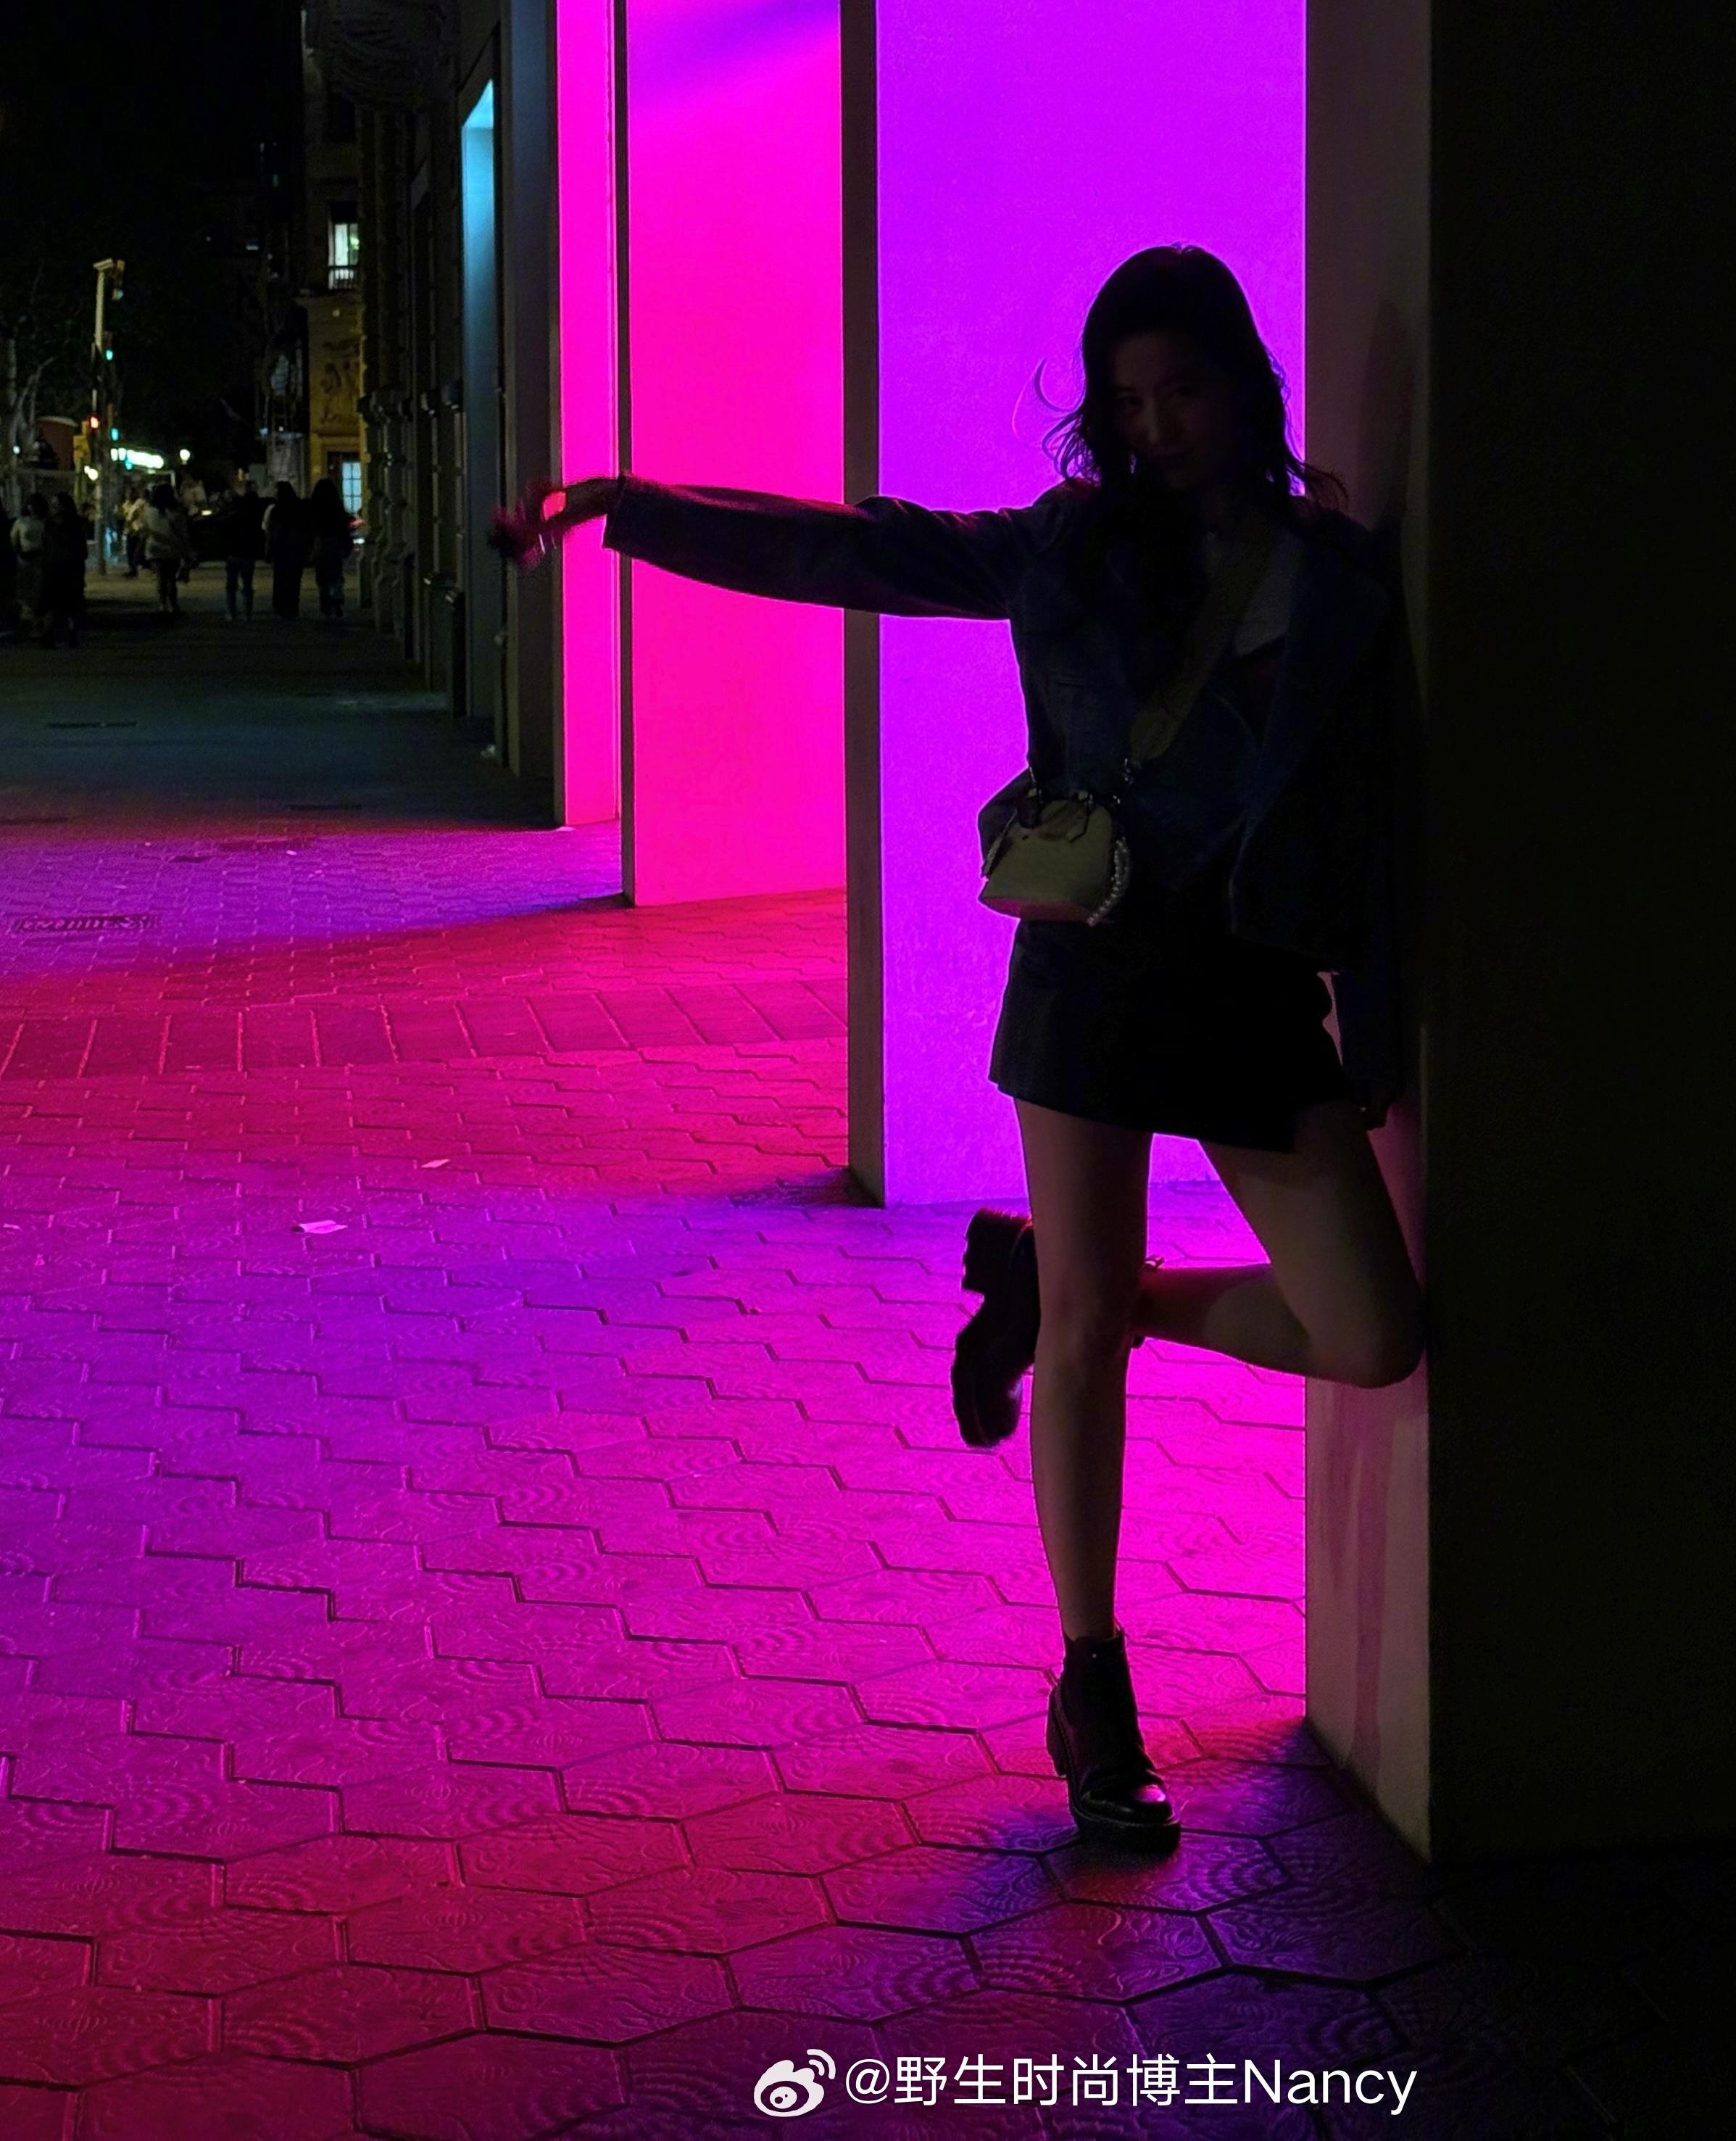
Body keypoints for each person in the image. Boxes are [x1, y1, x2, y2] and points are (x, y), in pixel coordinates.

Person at [498, 244, 1428, 1852]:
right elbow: (861, 548)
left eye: (1183, 390)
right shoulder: (1072, 548)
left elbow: (1387, 817)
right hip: (1090, 971)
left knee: (1370, 1330)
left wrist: (1383, 1012)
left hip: (1250, 986)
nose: (1156, 428)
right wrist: (626, 506)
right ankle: (1093, 1686)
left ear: (1244, 384)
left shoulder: (1333, 577)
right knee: (1081, 1349)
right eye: (1128, 401)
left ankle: (1087, 1288)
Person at [38, 491, 88, 647]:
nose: (54, 507)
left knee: (71, 603)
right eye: (53, 504)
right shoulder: (49, 524)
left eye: (57, 504)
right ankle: (49, 634)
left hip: (70, 568)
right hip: (53, 568)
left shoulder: (75, 524)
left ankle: (71, 634)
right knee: (51, 603)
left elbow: (81, 547)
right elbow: (46, 546)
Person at [220, 476, 266, 621]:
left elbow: (225, 535)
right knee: (247, 584)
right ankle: (247, 612)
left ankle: (232, 612)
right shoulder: (251, 518)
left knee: (231, 585)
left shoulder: (231, 517)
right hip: (247, 553)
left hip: (233, 553)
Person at [142, 482, 191, 618]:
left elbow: (144, 530)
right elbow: (183, 532)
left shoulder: (149, 511)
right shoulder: (176, 512)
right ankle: (173, 604)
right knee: (171, 578)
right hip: (172, 549)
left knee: (161, 578)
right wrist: (186, 550)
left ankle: (162, 604)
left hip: (155, 549)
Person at [307, 477, 352, 622]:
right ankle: (337, 598)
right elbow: (345, 526)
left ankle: (326, 605)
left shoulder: (315, 508)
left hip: (321, 543)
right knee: (336, 574)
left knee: (322, 577)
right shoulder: (337, 507)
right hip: (336, 543)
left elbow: (312, 528)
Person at [265, 481, 310, 618]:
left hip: (281, 548)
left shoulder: (276, 510)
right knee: (294, 580)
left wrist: (269, 549)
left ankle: (280, 606)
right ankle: (292, 607)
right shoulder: (299, 508)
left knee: (280, 579)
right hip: (296, 549)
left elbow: (271, 531)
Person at [9, 495, 46, 639]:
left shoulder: (46, 522)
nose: (33, 508)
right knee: (26, 592)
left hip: (41, 560)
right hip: (25, 560)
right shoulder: (21, 522)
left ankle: (37, 624)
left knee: (39, 591)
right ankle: (29, 623)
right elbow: (13, 542)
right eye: (31, 504)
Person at [122, 489, 150, 577]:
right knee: (131, 551)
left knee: (136, 551)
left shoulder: (140, 503)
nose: (129, 496)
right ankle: (133, 569)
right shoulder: (127, 505)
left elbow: (135, 516)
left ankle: (136, 568)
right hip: (132, 530)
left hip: (138, 530)